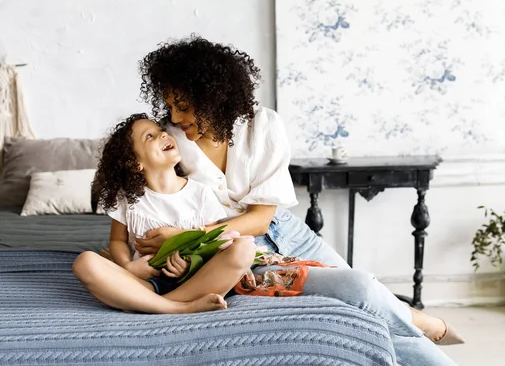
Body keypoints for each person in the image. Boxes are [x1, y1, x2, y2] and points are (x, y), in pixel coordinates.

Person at [135, 35, 462, 346]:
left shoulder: (263, 125)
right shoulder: (170, 142)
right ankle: (421, 322)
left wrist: (188, 234)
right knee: (359, 307)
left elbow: (261, 219)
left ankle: (417, 322)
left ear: (211, 95)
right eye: (170, 106)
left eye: (183, 106)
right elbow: (154, 196)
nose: (175, 117)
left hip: (287, 230)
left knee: (369, 295)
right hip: (240, 250)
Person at [72, 113, 257, 314]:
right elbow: (117, 241)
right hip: (144, 283)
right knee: (85, 262)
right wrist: (128, 266)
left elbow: (210, 246)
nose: (163, 136)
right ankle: (177, 307)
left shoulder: (201, 193)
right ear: (135, 163)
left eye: (161, 131)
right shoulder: (129, 199)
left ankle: (152, 304)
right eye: (149, 137)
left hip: (195, 280)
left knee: (244, 249)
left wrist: (189, 266)